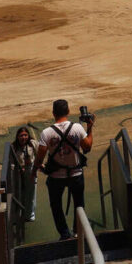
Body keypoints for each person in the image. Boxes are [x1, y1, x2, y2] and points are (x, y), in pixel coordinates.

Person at [34, 99, 94, 240]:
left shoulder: (46, 133)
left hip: (56, 177)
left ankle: (65, 234)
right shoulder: (77, 128)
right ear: (68, 112)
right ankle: (77, 231)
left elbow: (39, 159)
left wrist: (42, 169)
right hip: (76, 174)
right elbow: (87, 147)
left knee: (56, 206)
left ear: (53, 113)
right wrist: (90, 127)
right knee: (79, 204)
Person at [12, 127, 38, 223]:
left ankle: (30, 215)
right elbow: (11, 161)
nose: (23, 137)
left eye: (25, 135)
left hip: (30, 170)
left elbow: (38, 155)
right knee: (19, 193)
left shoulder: (33, 144)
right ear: (17, 137)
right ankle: (18, 214)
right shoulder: (14, 146)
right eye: (21, 135)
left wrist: (38, 166)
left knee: (31, 193)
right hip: (18, 172)